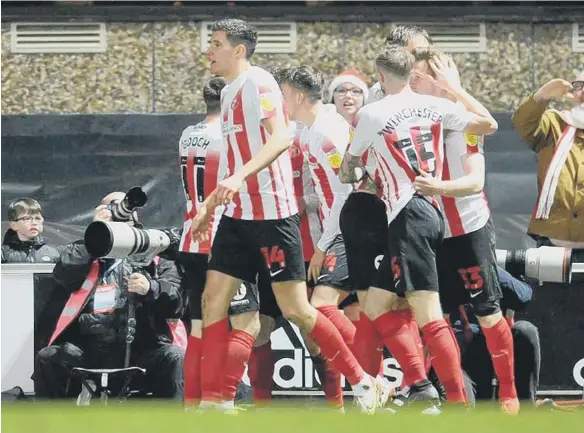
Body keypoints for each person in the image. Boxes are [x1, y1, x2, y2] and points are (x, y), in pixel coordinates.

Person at [191, 18, 380, 413]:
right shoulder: (227, 93)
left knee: (298, 309)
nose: (208, 50)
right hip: (237, 216)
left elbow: (281, 137)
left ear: (239, 50)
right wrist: (209, 207)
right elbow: (232, 157)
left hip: (273, 217)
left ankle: (364, 382)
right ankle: (214, 399)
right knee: (213, 302)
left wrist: (240, 177)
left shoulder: (260, 83)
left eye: (216, 43)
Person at [340, 44, 497, 406]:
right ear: (412, 73)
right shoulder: (438, 106)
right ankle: (417, 388)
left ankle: (457, 403)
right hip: (430, 211)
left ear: (380, 77)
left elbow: (347, 169)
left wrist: (366, 170)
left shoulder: (372, 114)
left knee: (427, 314)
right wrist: (456, 90)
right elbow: (489, 123)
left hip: (407, 214)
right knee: (376, 306)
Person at [409, 48, 519, 415]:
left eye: (420, 75)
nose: (412, 81)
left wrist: (436, 187)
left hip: (467, 229)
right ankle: (447, 396)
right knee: (430, 316)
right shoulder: (408, 115)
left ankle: (508, 392)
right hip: (430, 231)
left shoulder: (462, 121)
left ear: (441, 81)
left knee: (488, 313)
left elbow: (475, 182)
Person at [34, 192, 185, 400]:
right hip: (89, 349)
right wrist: (94, 236)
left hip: (143, 347)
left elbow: (177, 302)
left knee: (174, 357)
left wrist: (150, 288)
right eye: (112, 208)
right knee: (49, 358)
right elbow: (63, 273)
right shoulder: (87, 249)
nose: (121, 212)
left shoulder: (155, 251)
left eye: (126, 208)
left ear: (136, 216)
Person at [177, 77, 261, 409]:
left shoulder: (187, 135)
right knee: (247, 321)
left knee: (200, 326)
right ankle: (221, 399)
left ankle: (193, 405)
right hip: (220, 240)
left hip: (189, 240)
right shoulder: (227, 140)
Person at [512, 71, 584, 248]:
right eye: (578, 86)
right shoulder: (556, 123)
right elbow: (524, 123)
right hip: (553, 243)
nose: (582, 92)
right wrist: (542, 96)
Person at [451, 266, 540, 404]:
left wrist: (490, 269)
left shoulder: (486, 266)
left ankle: (525, 410)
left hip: (497, 342)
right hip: (462, 352)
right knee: (466, 411)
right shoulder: (444, 267)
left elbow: (523, 297)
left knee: (525, 330)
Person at [366, 25, 432, 104]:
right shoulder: (378, 94)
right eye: (418, 55)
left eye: (429, 55)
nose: (426, 62)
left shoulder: (441, 87)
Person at [2, 198, 60, 263]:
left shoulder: (53, 254)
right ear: (13, 225)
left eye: (37, 218)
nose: (34, 223)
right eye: (27, 219)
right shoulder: (3, 255)